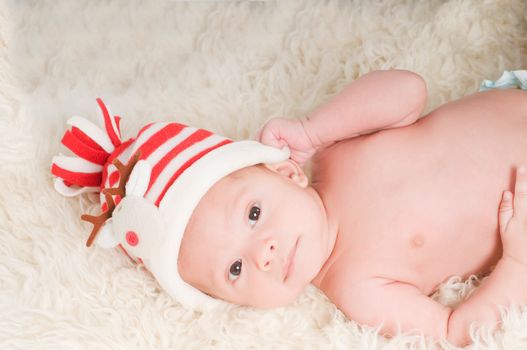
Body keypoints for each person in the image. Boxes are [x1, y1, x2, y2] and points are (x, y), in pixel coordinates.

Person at [51, 70, 527, 347]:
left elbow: (409, 91)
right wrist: (516, 263)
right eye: (234, 269)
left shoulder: (334, 153)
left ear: (284, 173)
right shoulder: (356, 286)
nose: (264, 253)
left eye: (254, 214)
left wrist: (314, 129)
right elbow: (453, 330)